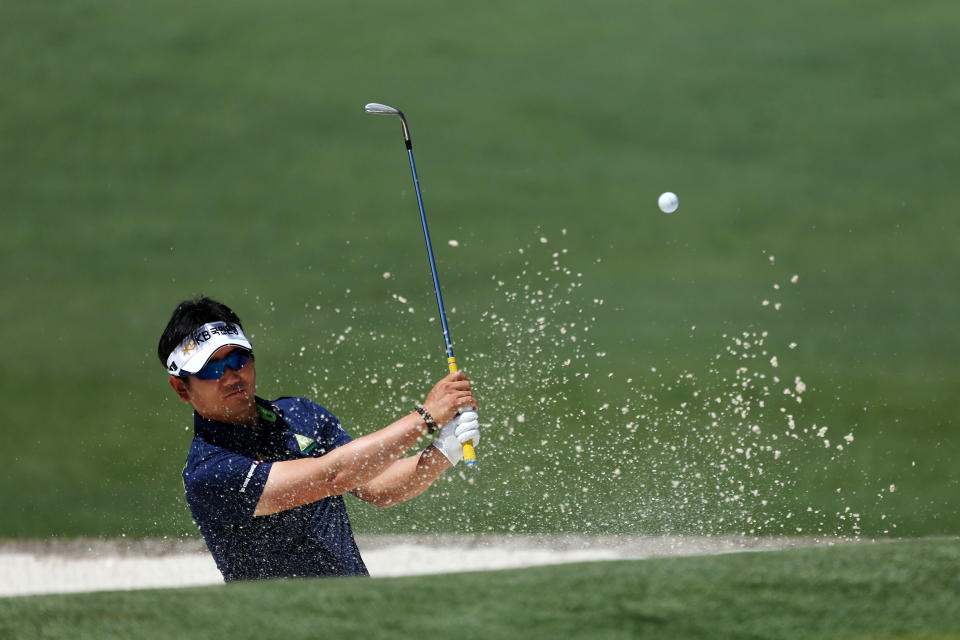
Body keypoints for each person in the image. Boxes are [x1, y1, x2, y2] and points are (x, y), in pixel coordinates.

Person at [157, 296, 480, 581]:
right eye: (211, 369)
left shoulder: (301, 414)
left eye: (238, 359)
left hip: (357, 612)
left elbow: (378, 487)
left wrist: (443, 450)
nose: (230, 375)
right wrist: (424, 418)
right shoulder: (208, 471)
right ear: (181, 388)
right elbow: (332, 475)